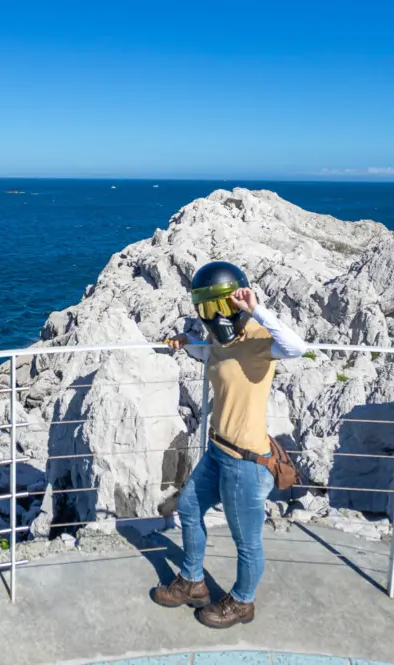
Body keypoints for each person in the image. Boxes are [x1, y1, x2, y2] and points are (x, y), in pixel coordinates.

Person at [153, 260, 306, 628]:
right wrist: (186, 342)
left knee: (246, 540)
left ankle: (242, 602)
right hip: (218, 450)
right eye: (204, 308)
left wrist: (255, 309)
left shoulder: (260, 342)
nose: (212, 315)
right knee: (188, 507)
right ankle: (192, 581)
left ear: (234, 305)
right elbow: (210, 355)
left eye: (217, 306)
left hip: (247, 462)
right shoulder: (220, 343)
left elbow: (298, 347)